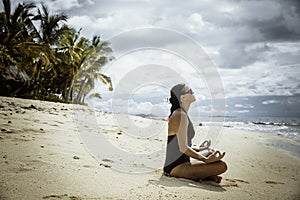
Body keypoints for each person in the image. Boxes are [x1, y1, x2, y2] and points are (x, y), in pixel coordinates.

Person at [163, 83, 227, 183]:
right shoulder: (180, 115)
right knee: (222, 166)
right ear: (183, 98)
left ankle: (203, 175)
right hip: (174, 167)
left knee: (210, 151)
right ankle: (203, 176)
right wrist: (205, 160)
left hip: (184, 161)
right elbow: (183, 148)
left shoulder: (182, 113)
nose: (193, 92)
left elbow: (179, 145)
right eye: (190, 91)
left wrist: (200, 149)